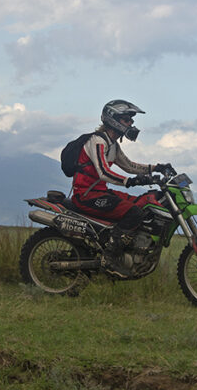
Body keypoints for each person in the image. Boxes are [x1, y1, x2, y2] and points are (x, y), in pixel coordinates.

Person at [71, 99, 173, 277]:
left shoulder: (112, 145)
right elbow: (103, 172)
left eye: (131, 120)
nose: (131, 124)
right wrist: (129, 182)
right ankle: (109, 258)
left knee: (142, 202)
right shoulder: (97, 141)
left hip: (100, 193)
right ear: (113, 120)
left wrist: (157, 168)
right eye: (127, 120)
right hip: (86, 196)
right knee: (134, 212)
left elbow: (129, 166)